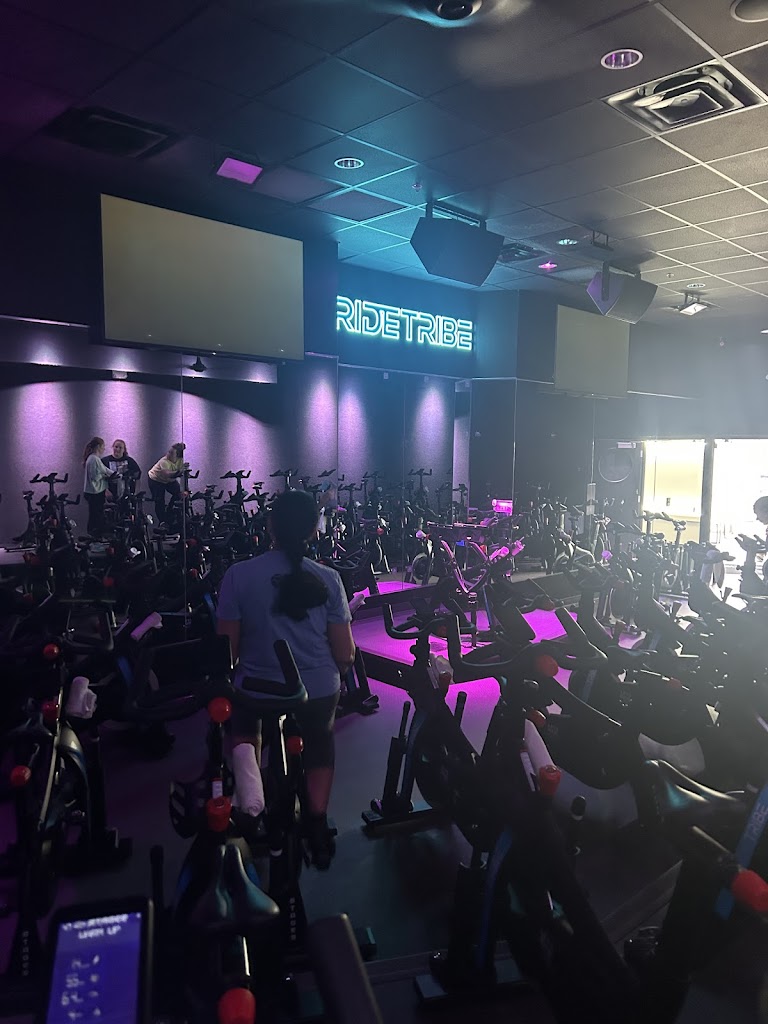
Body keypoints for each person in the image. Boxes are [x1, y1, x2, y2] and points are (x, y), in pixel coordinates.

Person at [217, 489, 355, 870]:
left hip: (256, 689)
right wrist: (339, 674)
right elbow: (345, 653)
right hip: (316, 691)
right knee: (320, 740)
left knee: (244, 729)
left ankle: (252, 806)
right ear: (313, 530)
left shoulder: (238, 576)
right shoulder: (329, 578)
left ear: (270, 527)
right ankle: (317, 822)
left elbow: (227, 651)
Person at [82, 436, 117, 536]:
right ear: (98, 447)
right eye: (103, 446)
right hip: (94, 492)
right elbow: (95, 477)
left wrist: (116, 474)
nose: (104, 449)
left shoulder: (95, 459)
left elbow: (105, 470)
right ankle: (94, 535)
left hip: (95, 492)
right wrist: (106, 476)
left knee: (96, 514)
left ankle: (95, 534)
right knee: (95, 516)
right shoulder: (94, 459)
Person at [147, 443, 187, 526]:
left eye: (171, 453)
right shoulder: (164, 461)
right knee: (159, 501)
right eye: (169, 451)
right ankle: (162, 522)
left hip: (169, 481)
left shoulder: (180, 460)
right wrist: (179, 472)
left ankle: (170, 511)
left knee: (179, 494)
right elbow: (167, 474)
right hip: (156, 480)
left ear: (178, 456)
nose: (168, 454)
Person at [102, 439, 141, 503]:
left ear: (124, 449)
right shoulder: (105, 461)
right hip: (110, 494)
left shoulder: (130, 461)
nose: (117, 449)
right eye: (116, 447)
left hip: (127, 494)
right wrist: (105, 491)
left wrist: (136, 493)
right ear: (113, 447)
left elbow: (137, 476)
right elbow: (100, 478)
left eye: (120, 447)